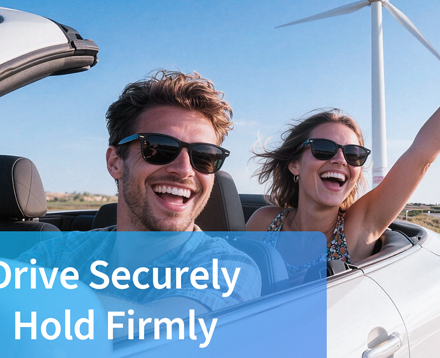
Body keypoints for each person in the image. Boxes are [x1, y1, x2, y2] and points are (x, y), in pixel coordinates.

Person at [247, 22, 440, 270]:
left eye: (353, 154)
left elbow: (421, 155)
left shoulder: (357, 227)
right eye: (324, 149)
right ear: (294, 163)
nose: (341, 159)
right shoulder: (264, 222)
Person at [19, 70, 260, 311]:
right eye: (159, 148)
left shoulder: (231, 268)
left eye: (205, 156)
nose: (184, 170)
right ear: (115, 162)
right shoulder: (60, 253)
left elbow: (162, 328)